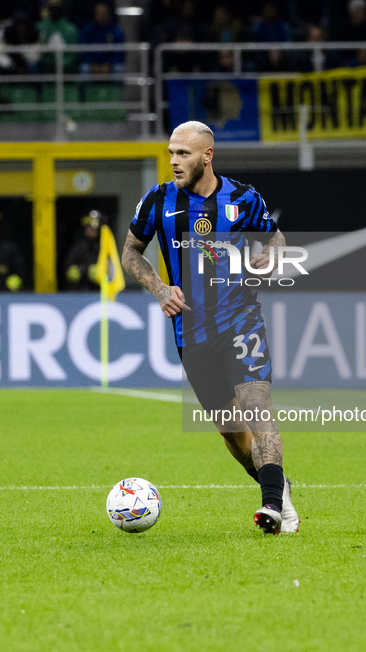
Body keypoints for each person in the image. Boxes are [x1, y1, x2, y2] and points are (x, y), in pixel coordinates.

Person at [121, 120, 300, 536]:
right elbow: (131, 252)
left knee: (257, 407)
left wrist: (271, 257)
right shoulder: (157, 201)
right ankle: (278, 486)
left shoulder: (242, 198)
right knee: (233, 434)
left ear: (207, 155)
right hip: (191, 333)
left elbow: (276, 239)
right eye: (170, 153)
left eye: (183, 154)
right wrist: (160, 288)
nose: (173, 161)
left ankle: (273, 507)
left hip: (240, 319)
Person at [63, 210, 102, 291]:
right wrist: (77, 270)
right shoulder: (78, 246)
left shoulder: (104, 246)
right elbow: (67, 266)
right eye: (87, 227)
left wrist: (101, 271)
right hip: (78, 290)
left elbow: (113, 268)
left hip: (99, 291)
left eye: (93, 228)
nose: (89, 230)